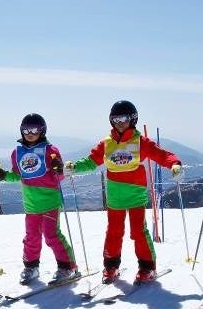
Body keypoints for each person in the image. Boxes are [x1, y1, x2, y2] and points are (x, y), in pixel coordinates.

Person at [64, 100, 182, 284]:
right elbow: (91, 161)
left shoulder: (140, 142)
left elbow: (161, 154)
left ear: (133, 119)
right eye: (115, 118)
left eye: (124, 118)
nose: (120, 122)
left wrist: (175, 164)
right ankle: (111, 266)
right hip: (114, 197)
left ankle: (147, 267)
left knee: (139, 232)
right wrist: (74, 167)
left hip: (135, 195)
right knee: (113, 232)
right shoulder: (107, 143)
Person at [0, 113, 78, 284]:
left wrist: (59, 170)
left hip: (49, 201)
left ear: (42, 131)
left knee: (52, 235)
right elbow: (18, 175)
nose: (30, 133)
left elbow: (60, 176)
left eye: (34, 130)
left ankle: (67, 267)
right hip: (31, 203)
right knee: (31, 237)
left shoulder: (50, 151)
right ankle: (31, 267)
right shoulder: (17, 152)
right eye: (26, 129)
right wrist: (3, 175)